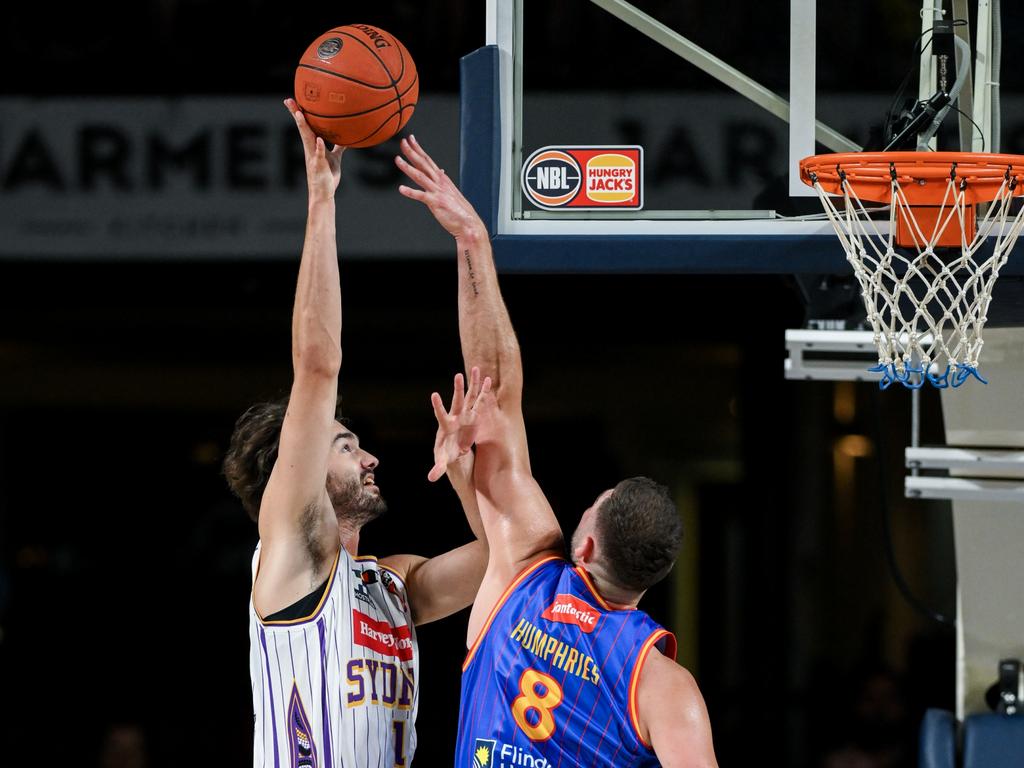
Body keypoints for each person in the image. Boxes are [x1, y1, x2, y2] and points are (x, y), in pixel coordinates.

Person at [396, 135, 719, 768]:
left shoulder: (524, 569)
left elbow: (493, 385)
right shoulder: (664, 687)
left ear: (587, 545)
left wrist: (473, 243)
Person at [222, 101, 490, 768]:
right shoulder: (291, 557)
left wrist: (465, 480)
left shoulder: (391, 585)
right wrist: (321, 201)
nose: (370, 456)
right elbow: (317, 365)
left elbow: (504, 559)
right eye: (345, 445)